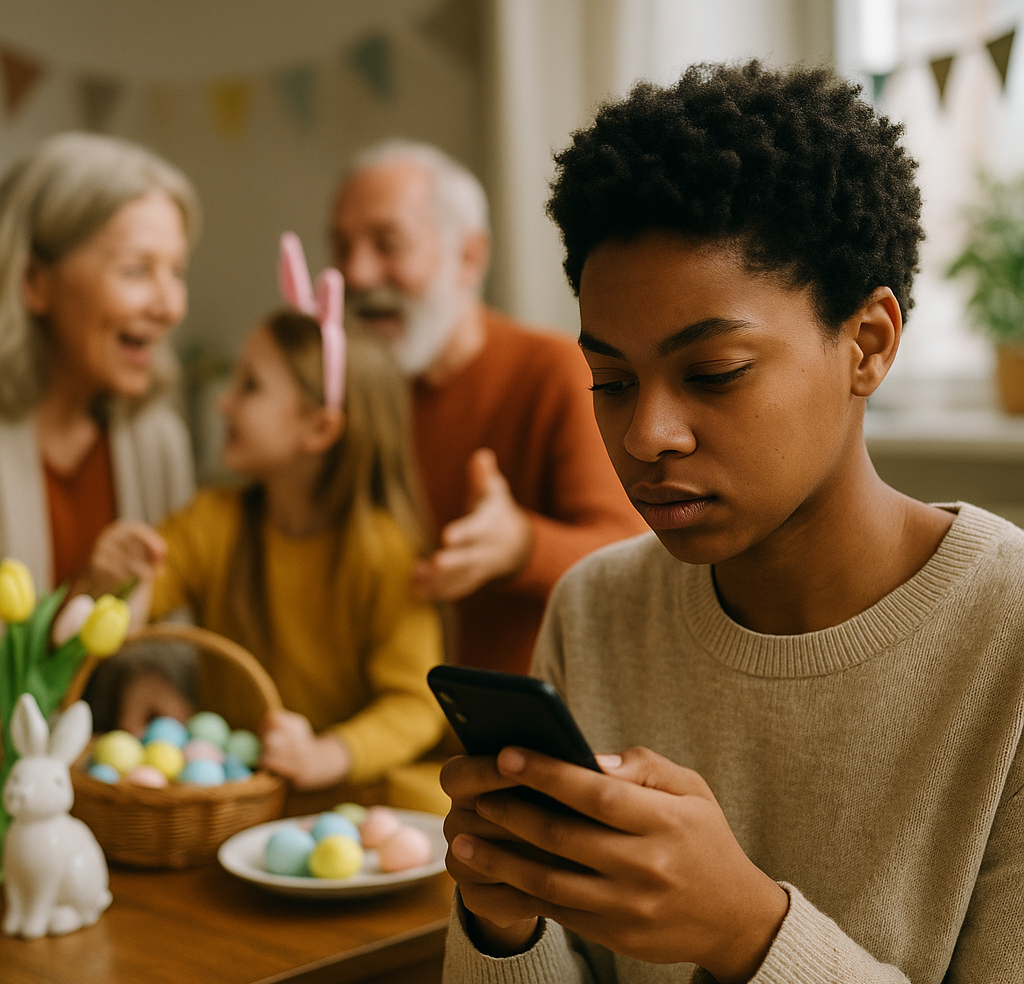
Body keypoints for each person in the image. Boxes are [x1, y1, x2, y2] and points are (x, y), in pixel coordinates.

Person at [440, 62, 1024, 984]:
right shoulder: (596, 610)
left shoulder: (1006, 634)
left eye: (713, 372)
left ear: (869, 342)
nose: (646, 437)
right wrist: (507, 924)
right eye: (612, 382)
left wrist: (745, 934)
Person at [88, 236, 448, 810]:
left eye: (249, 387)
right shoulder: (212, 521)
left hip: (348, 803)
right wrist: (114, 580)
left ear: (319, 429)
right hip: (235, 798)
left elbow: (414, 704)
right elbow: (126, 614)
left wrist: (328, 754)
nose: (224, 404)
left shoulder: (384, 550)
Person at [330, 141, 646, 675]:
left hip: (522, 729)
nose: (357, 274)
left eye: (388, 244)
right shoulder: (340, 389)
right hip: (367, 730)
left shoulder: (553, 371)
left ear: (469, 257)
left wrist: (521, 545)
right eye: (341, 247)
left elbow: (638, 562)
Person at [0, 131, 200, 728]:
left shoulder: (156, 436)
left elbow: (173, 624)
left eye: (177, 272)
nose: (170, 306)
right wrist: (82, 593)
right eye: (137, 270)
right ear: (34, 281)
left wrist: (147, 678)